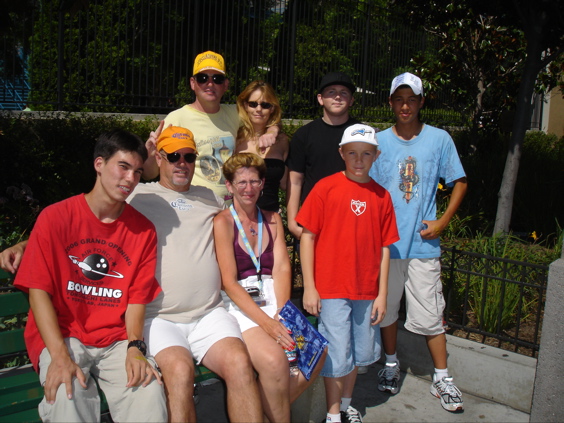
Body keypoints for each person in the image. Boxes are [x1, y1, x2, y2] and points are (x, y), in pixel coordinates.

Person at [11, 130, 167, 422]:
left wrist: (136, 348)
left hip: (116, 339)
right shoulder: (55, 218)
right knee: (67, 396)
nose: (131, 179)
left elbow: (136, 298)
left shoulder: (143, 230)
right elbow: (38, 291)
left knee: (148, 391)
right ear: (99, 164)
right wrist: (59, 357)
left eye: (137, 171)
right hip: (64, 336)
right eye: (123, 167)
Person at [128, 126, 263, 422]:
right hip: (159, 317)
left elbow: (248, 213)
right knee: (179, 371)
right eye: (174, 156)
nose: (182, 163)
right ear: (159, 159)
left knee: (241, 364)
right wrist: (28, 243)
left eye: (189, 157)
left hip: (208, 314)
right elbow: (89, 214)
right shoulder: (136, 195)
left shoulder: (211, 198)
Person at [369, 72, 467, 412]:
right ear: (391, 102)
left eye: (412, 99)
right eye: (399, 99)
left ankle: (442, 377)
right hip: (388, 247)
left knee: (430, 314)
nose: (405, 105)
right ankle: (391, 364)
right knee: (387, 311)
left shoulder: (439, 139)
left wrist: (442, 221)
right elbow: (366, 189)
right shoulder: (378, 142)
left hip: (423, 246)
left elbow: (460, 181)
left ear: (422, 102)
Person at [297, 124, 399, 423]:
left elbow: (384, 248)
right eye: (352, 153)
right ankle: (332, 414)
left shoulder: (382, 196)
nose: (359, 160)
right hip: (331, 288)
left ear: (376, 156)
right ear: (341, 153)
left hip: (366, 291)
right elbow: (307, 237)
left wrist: (382, 294)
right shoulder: (325, 188)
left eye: (366, 153)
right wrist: (310, 287)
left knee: (356, 351)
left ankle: (346, 404)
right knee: (337, 351)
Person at [213, 152, 325, 422]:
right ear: (229, 186)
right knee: (275, 360)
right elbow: (228, 281)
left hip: (273, 297)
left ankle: (262, 412)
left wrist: (282, 312)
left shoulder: (272, 218)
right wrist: (267, 323)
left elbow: (282, 268)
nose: (248, 189)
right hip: (240, 305)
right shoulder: (223, 222)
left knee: (316, 349)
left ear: (263, 183)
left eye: (254, 181)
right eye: (241, 182)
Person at [143, 51, 279, 201]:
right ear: (192, 83)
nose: (210, 83)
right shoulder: (177, 119)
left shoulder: (235, 113)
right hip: (196, 208)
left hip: (229, 211)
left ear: (225, 85)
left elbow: (267, 117)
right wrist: (149, 154)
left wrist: (272, 132)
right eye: (202, 78)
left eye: (217, 79)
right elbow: (149, 173)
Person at [286, 71, 360, 240]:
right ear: (320, 98)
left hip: (353, 217)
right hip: (313, 220)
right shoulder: (304, 135)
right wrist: (292, 221)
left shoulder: (362, 133)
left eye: (344, 93)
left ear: (351, 100)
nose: (338, 97)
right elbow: (295, 180)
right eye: (331, 92)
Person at [235, 81, 289, 212]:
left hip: (271, 219)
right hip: (239, 219)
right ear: (245, 106)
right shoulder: (235, 137)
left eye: (265, 105)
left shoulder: (282, 141)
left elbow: (286, 184)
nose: (258, 109)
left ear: (272, 109)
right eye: (253, 104)